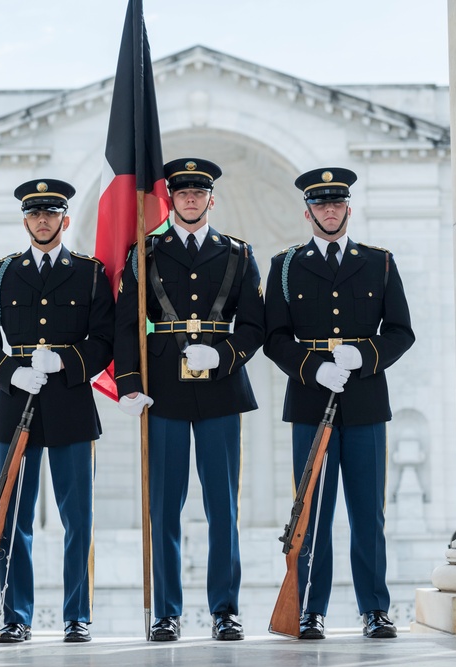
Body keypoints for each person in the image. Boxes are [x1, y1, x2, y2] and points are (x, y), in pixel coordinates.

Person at [115, 158, 265, 641]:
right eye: (182, 193)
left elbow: (256, 325)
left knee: (223, 506)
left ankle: (225, 610)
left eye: (199, 192)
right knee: (165, 507)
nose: (191, 199)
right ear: (171, 199)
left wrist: (223, 355)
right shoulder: (145, 253)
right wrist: (131, 383)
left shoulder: (238, 254)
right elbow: (127, 323)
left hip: (220, 388)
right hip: (164, 389)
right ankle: (167, 611)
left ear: (211, 199)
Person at [263, 167, 415, 640]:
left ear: (349, 208)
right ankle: (310, 608)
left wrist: (364, 355)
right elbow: (274, 338)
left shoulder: (379, 263)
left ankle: (374, 608)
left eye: (337, 203)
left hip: (366, 403)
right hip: (311, 402)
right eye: (320, 204)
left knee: (368, 513)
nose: (330, 211)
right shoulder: (285, 266)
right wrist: (313, 367)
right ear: (307, 212)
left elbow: (401, 332)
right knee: (313, 512)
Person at [0, 178, 114, 644]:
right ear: (25, 220)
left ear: (65, 219)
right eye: (35, 214)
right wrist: (9, 371)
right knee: (14, 519)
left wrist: (68, 361)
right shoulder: (3, 274)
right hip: (18, 405)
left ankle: (78, 616)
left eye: (51, 213)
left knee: (78, 522)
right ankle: (16, 616)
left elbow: (105, 340)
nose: (43, 220)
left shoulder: (90, 274)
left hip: (71, 402)